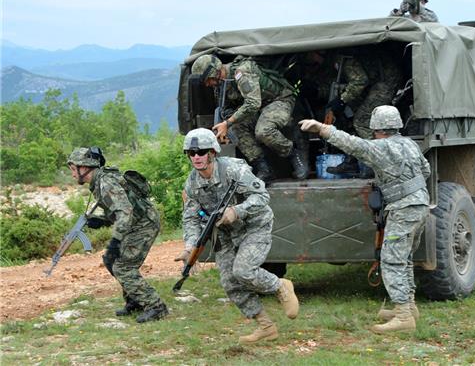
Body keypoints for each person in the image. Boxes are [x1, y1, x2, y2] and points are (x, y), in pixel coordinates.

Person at [299, 105, 430, 333]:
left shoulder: (381, 147)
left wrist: (321, 128)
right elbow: (425, 170)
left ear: (376, 128)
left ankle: (403, 316)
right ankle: (408, 306)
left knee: (391, 260)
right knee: (405, 257)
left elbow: (353, 144)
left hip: (403, 208)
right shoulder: (409, 144)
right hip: (420, 205)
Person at [176, 128, 299, 344]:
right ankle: (266, 326)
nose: (196, 157)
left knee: (243, 270)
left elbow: (262, 196)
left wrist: (236, 211)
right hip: (225, 235)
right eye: (191, 152)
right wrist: (189, 248)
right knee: (230, 282)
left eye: (201, 151)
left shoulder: (233, 170)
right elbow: (191, 218)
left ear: (213, 152)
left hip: (253, 226)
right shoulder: (192, 184)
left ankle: (280, 286)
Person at [67, 147, 168, 323]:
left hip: (144, 224)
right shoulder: (99, 182)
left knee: (123, 267)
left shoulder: (105, 183)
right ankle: (134, 301)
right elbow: (119, 209)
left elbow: (126, 212)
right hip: (135, 223)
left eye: (73, 169)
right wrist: (102, 220)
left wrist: (115, 241)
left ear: (85, 167)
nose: (72, 174)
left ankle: (155, 306)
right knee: (110, 261)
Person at [190, 54, 308, 182]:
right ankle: (264, 168)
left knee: (263, 131)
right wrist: (224, 127)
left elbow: (253, 103)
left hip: (278, 100)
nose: (208, 84)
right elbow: (227, 109)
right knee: (235, 128)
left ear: (215, 72)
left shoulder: (242, 72)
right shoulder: (220, 85)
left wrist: (227, 123)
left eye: (208, 80)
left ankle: (294, 154)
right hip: (259, 109)